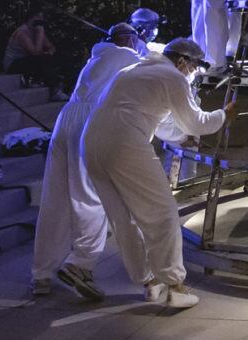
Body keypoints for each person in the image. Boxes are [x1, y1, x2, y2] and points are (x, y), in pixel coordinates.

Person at [81, 37, 236, 307]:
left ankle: (149, 282)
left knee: (123, 218)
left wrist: (180, 138)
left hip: (91, 141)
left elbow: (156, 118)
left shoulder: (133, 70)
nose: (192, 73)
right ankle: (176, 286)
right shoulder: (172, 76)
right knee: (163, 213)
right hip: (124, 143)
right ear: (182, 61)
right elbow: (196, 122)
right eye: (193, 67)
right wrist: (223, 116)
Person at [31, 22, 150, 300]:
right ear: (129, 39)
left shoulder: (96, 57)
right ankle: (80, 263)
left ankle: (41, 273)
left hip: (65, 119)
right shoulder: (126, 55)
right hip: (89, 121)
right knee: (91, 194)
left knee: (56, 199)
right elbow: (151, 68)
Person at [4, 13, 62, 97]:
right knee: (42, 59)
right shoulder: (22, 33)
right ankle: (54, 90)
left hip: (29, 61)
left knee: (54, 57)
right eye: (37, 17)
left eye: (42, 17)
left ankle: (59, 85)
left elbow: (51, 47)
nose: (40, 20)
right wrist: (40, 33)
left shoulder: (37, 30)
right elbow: (36, 53)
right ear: (30, 18)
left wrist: (49, 52)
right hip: (13, 64)